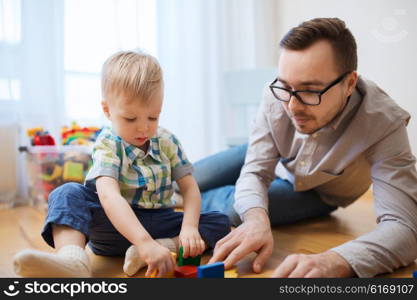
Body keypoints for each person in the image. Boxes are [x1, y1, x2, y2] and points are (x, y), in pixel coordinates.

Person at [197, 17, 417, 278]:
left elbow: (404, 227)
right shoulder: (276, 94)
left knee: (233, 207)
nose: (292, 106)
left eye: (310, 91)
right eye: (286, 87)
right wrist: (256, 219)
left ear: (349, 84)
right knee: (189, 178)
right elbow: (256, 171)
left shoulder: (384, 122)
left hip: (317, 193)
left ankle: (176, 204)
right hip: (273, 159)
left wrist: (335, 260)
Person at [13, 50, 230, 278]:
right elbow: (109, 197)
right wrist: (143, 240)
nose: (144, 128)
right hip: (113, 225)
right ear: (107, 110)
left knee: (219, 221)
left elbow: (189, 188)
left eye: (153, 117)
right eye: (130, 119)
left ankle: (158, 248)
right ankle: (73, 262)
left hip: (158, 223)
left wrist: (188, 228)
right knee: (66, 193)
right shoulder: (107, 144)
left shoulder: (167, 141)